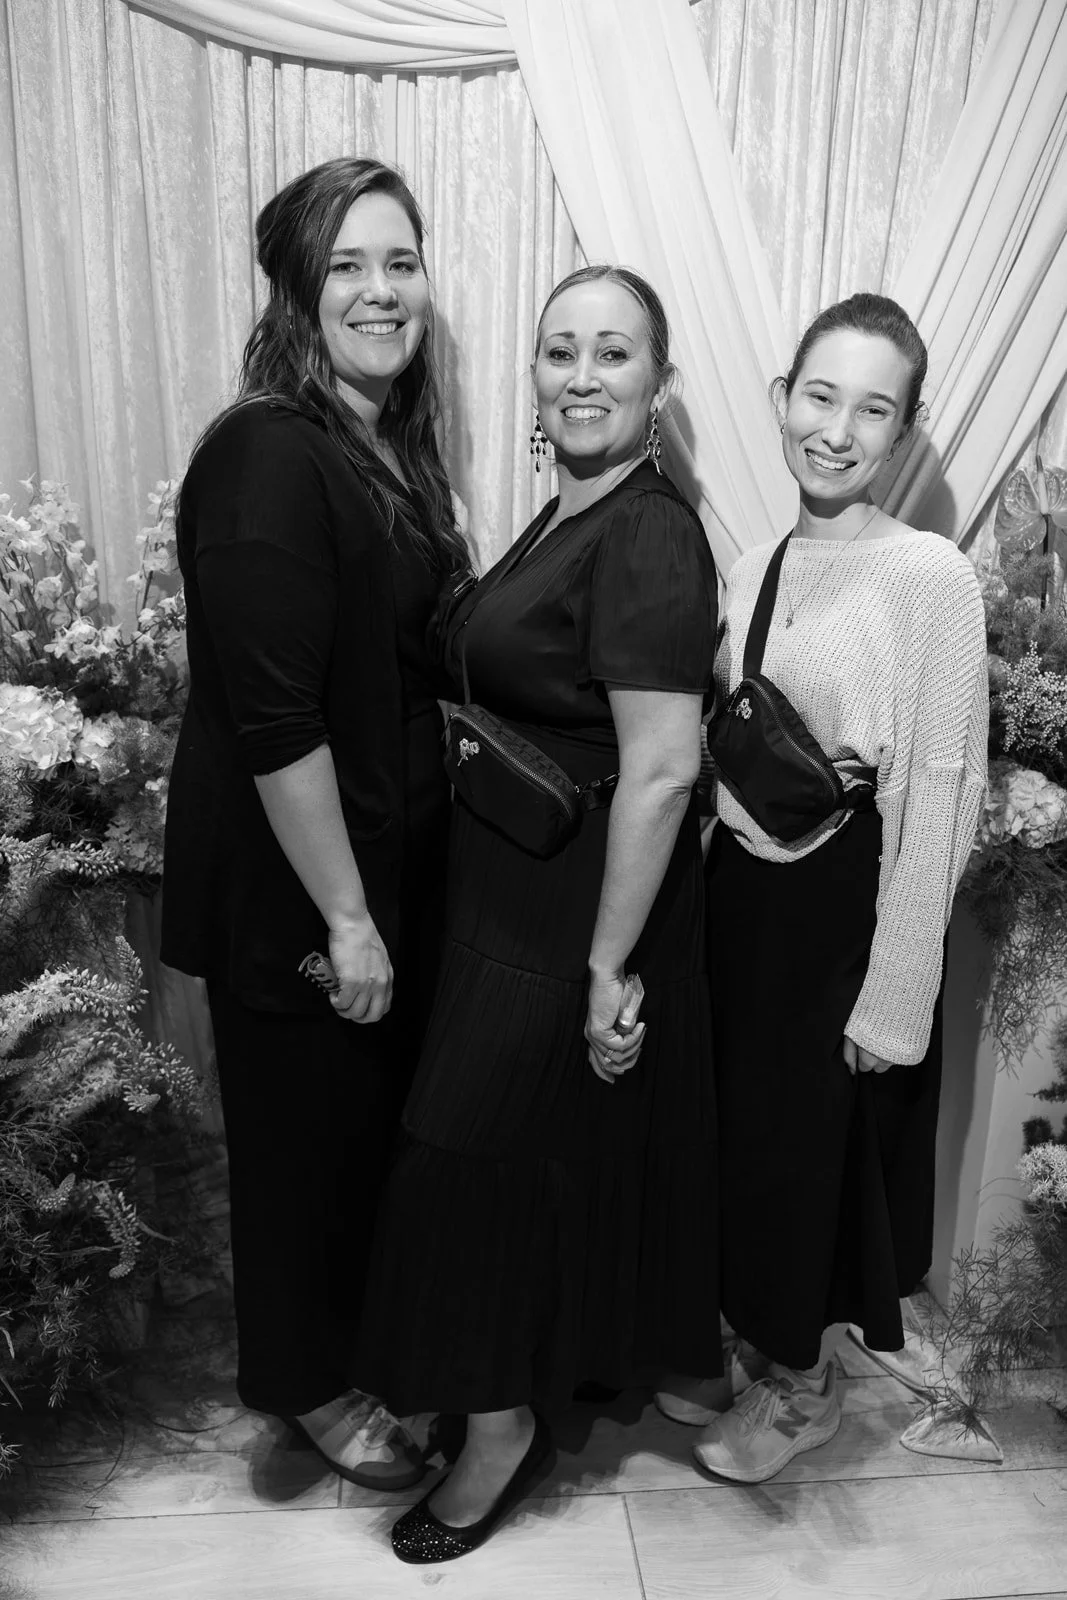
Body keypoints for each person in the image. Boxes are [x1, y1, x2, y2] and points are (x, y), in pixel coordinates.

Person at [353, 265, 722, 1562]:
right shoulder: (571, 510)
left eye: (610, 354)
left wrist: (606, 965)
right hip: (500, 899)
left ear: (657, 386)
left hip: (568, 915)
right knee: (498, 1177)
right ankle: (506, 1385)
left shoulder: (648, 532)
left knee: (459, 1169)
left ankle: (500, 1425)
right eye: (558, 350)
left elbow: (665, 763)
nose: (578, 374)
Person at [160, 157, 469, 1489]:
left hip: (376, 862)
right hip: (302, 887)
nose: (380, 290)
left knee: (354, 1143)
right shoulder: (263, 455)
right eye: (347, 264)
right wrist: (345, 917)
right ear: (295, 287)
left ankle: (363, 1352)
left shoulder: (375, 451)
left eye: (398, 262)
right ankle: (308, 1390)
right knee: (301, 1153)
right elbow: (277, 721)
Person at [689, 292, 988, 1485]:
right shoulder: (761, 555)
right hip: (742, 900)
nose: (836, 428)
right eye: (818, 395)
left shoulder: (930, 575)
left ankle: (803, 1388)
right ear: (780, 399)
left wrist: (894, 997)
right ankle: (762, 1356)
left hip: (842, 911)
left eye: (872, 408)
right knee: (749, 1148)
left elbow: (943, 792)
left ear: (903, 434)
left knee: (812, 1160)